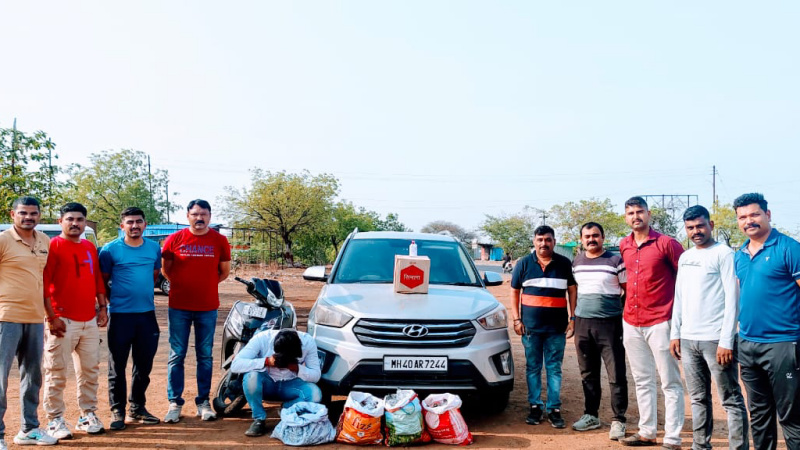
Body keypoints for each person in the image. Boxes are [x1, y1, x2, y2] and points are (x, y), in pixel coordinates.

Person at [669, 205, 748, 450]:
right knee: (697, 398)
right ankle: (700, 445)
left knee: (730, 399)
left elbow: (732, 298)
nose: (696, 231)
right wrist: (675, 333)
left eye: (700, 226)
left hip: (716, 340)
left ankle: (738, 447)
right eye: (690, 228)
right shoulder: (685, 257)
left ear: (710, 225)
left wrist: (726, 340)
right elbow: (679, 296)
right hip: (688, 339)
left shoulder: (724, 254)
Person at [733, 193, 800, 450]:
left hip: (783, 344)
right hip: (748, 344)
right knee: (759, 416)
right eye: (742, 217)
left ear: (767, 215)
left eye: (754, 214)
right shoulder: (739, 255)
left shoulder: (789, 248)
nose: (748, 221)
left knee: (792, 417)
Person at [618, 196, 684, 449]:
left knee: (670, 381)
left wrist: (679, 320)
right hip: (631, 321)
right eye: (631, 213)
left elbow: (685, 279)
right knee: (642, 379)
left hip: (661, 320)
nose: (636, 216)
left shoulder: (667, 244)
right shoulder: (624, 245)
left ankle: (672, 437)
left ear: (649, 214)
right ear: (626, 217)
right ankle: (647, 432)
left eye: (640, 211)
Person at [43, 203, 109, 439]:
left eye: (80, 219)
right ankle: (54, 419)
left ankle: (87, 414)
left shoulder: (89, 247)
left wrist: (102, 307)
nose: (75, 223)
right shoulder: (52, 246)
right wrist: (51, 317)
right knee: (56, 371)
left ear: (85, 222)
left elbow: (97, 279)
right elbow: (44, 284)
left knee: (90, 370)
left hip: (89, 319)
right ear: (60, 221)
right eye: (70, 219)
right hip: (61, 319)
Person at [162, 200, 231, 423]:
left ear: (209, 216)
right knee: (177, 355)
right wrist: (183, 285)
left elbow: (224, 272)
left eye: (203, 214)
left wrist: (206, 285)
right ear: (187, 216)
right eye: (195, 214)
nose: (199, 218)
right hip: (178, 307)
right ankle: (174, 403)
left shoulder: (219, 240)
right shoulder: (175, 239)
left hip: (207, 307)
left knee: (205, 356)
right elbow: (166, 270)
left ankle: (203, 403)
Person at [0, 197, 59, 447]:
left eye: (33, 213)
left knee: (33, 376)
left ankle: (29, 428)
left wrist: (49, 314)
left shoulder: (44, 240)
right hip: (5, 317)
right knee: (0, 378)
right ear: (12, 214)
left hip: (35, 318)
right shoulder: (3, 240)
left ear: (39, 215)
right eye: (23, 213)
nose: (28, 217)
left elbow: (45, 280)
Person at [99, 207, 162, 430]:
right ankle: (118, 410)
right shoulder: (109, 250)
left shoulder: (154, 248)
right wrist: (110, 304)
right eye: (130, 222)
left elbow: (154, 275)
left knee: (143, 365)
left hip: (146, 315)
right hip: (120, 316)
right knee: (117, 366)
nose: (134, 225)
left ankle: (137, 407)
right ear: (122, 226)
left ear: (145, 224)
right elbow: (103, 281)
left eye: (138, 221)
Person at [510, 225, 576, 429]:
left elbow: (572, 290)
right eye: (540, 240)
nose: (543, 243)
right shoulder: (523, 263)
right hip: (530, 329)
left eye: (548, 239)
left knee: (554, 369)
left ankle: (554, 409)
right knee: (533, 368)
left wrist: (573, 318)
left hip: (557, 329)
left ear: (554, 242)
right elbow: (514, 291)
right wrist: (516, 319)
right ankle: (535, 407)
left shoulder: (564, 263)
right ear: (534, 241)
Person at [571, 222, 628, 440]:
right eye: (587, 236)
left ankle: (618, 420)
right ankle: (591, 415)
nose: (591, 239)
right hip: (583, 324)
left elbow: (627, 290)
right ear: (581, 239)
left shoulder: (615, 261)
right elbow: (575, 290)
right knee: (588, 373)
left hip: (610, 325)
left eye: (595, 235)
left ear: (603, 237)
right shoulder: (577, 262)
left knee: (616, 373)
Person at [230, 329, 322, 437]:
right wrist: (266, 361)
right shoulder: (262, 338)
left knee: (315, 394)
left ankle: (286, 409)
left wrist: (297, 368)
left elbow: (316, 375)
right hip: (266, 383)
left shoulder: (308, 341)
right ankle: (259, 419)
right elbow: (235, 365)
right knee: (251, 376)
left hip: (291, 384)